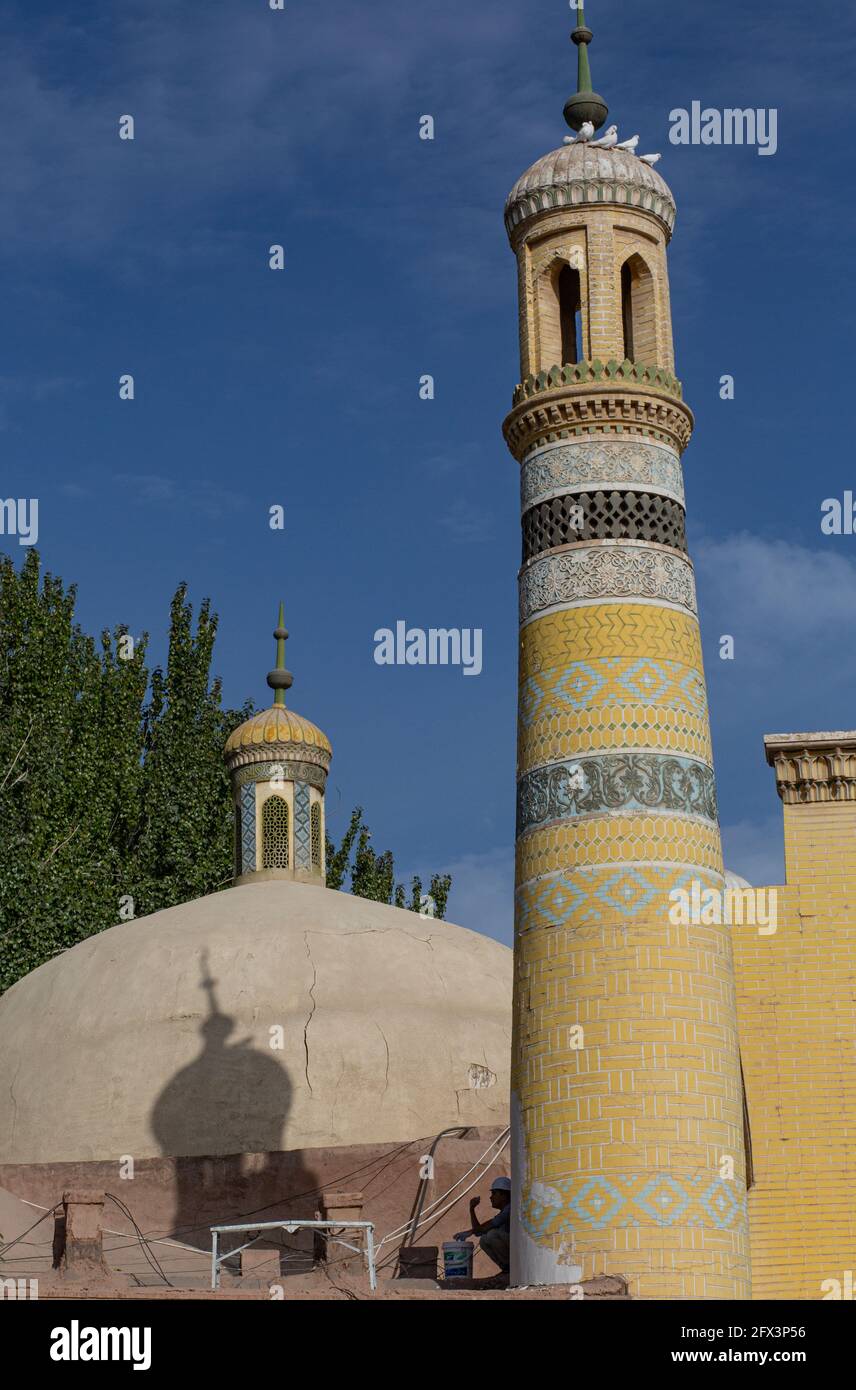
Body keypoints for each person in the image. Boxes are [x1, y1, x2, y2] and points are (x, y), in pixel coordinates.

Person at [454, 1175, 511, 1275]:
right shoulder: (505, 1212)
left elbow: (482, 1228)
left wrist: (472, 1211)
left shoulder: (509, 1210)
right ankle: (507, 1269)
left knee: (492, 1235)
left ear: (504, 1195)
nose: (491, 1197)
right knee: (484, 1239)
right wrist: (472, 1210)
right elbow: (480, 1231)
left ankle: (509, 1269)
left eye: (494, 1193)